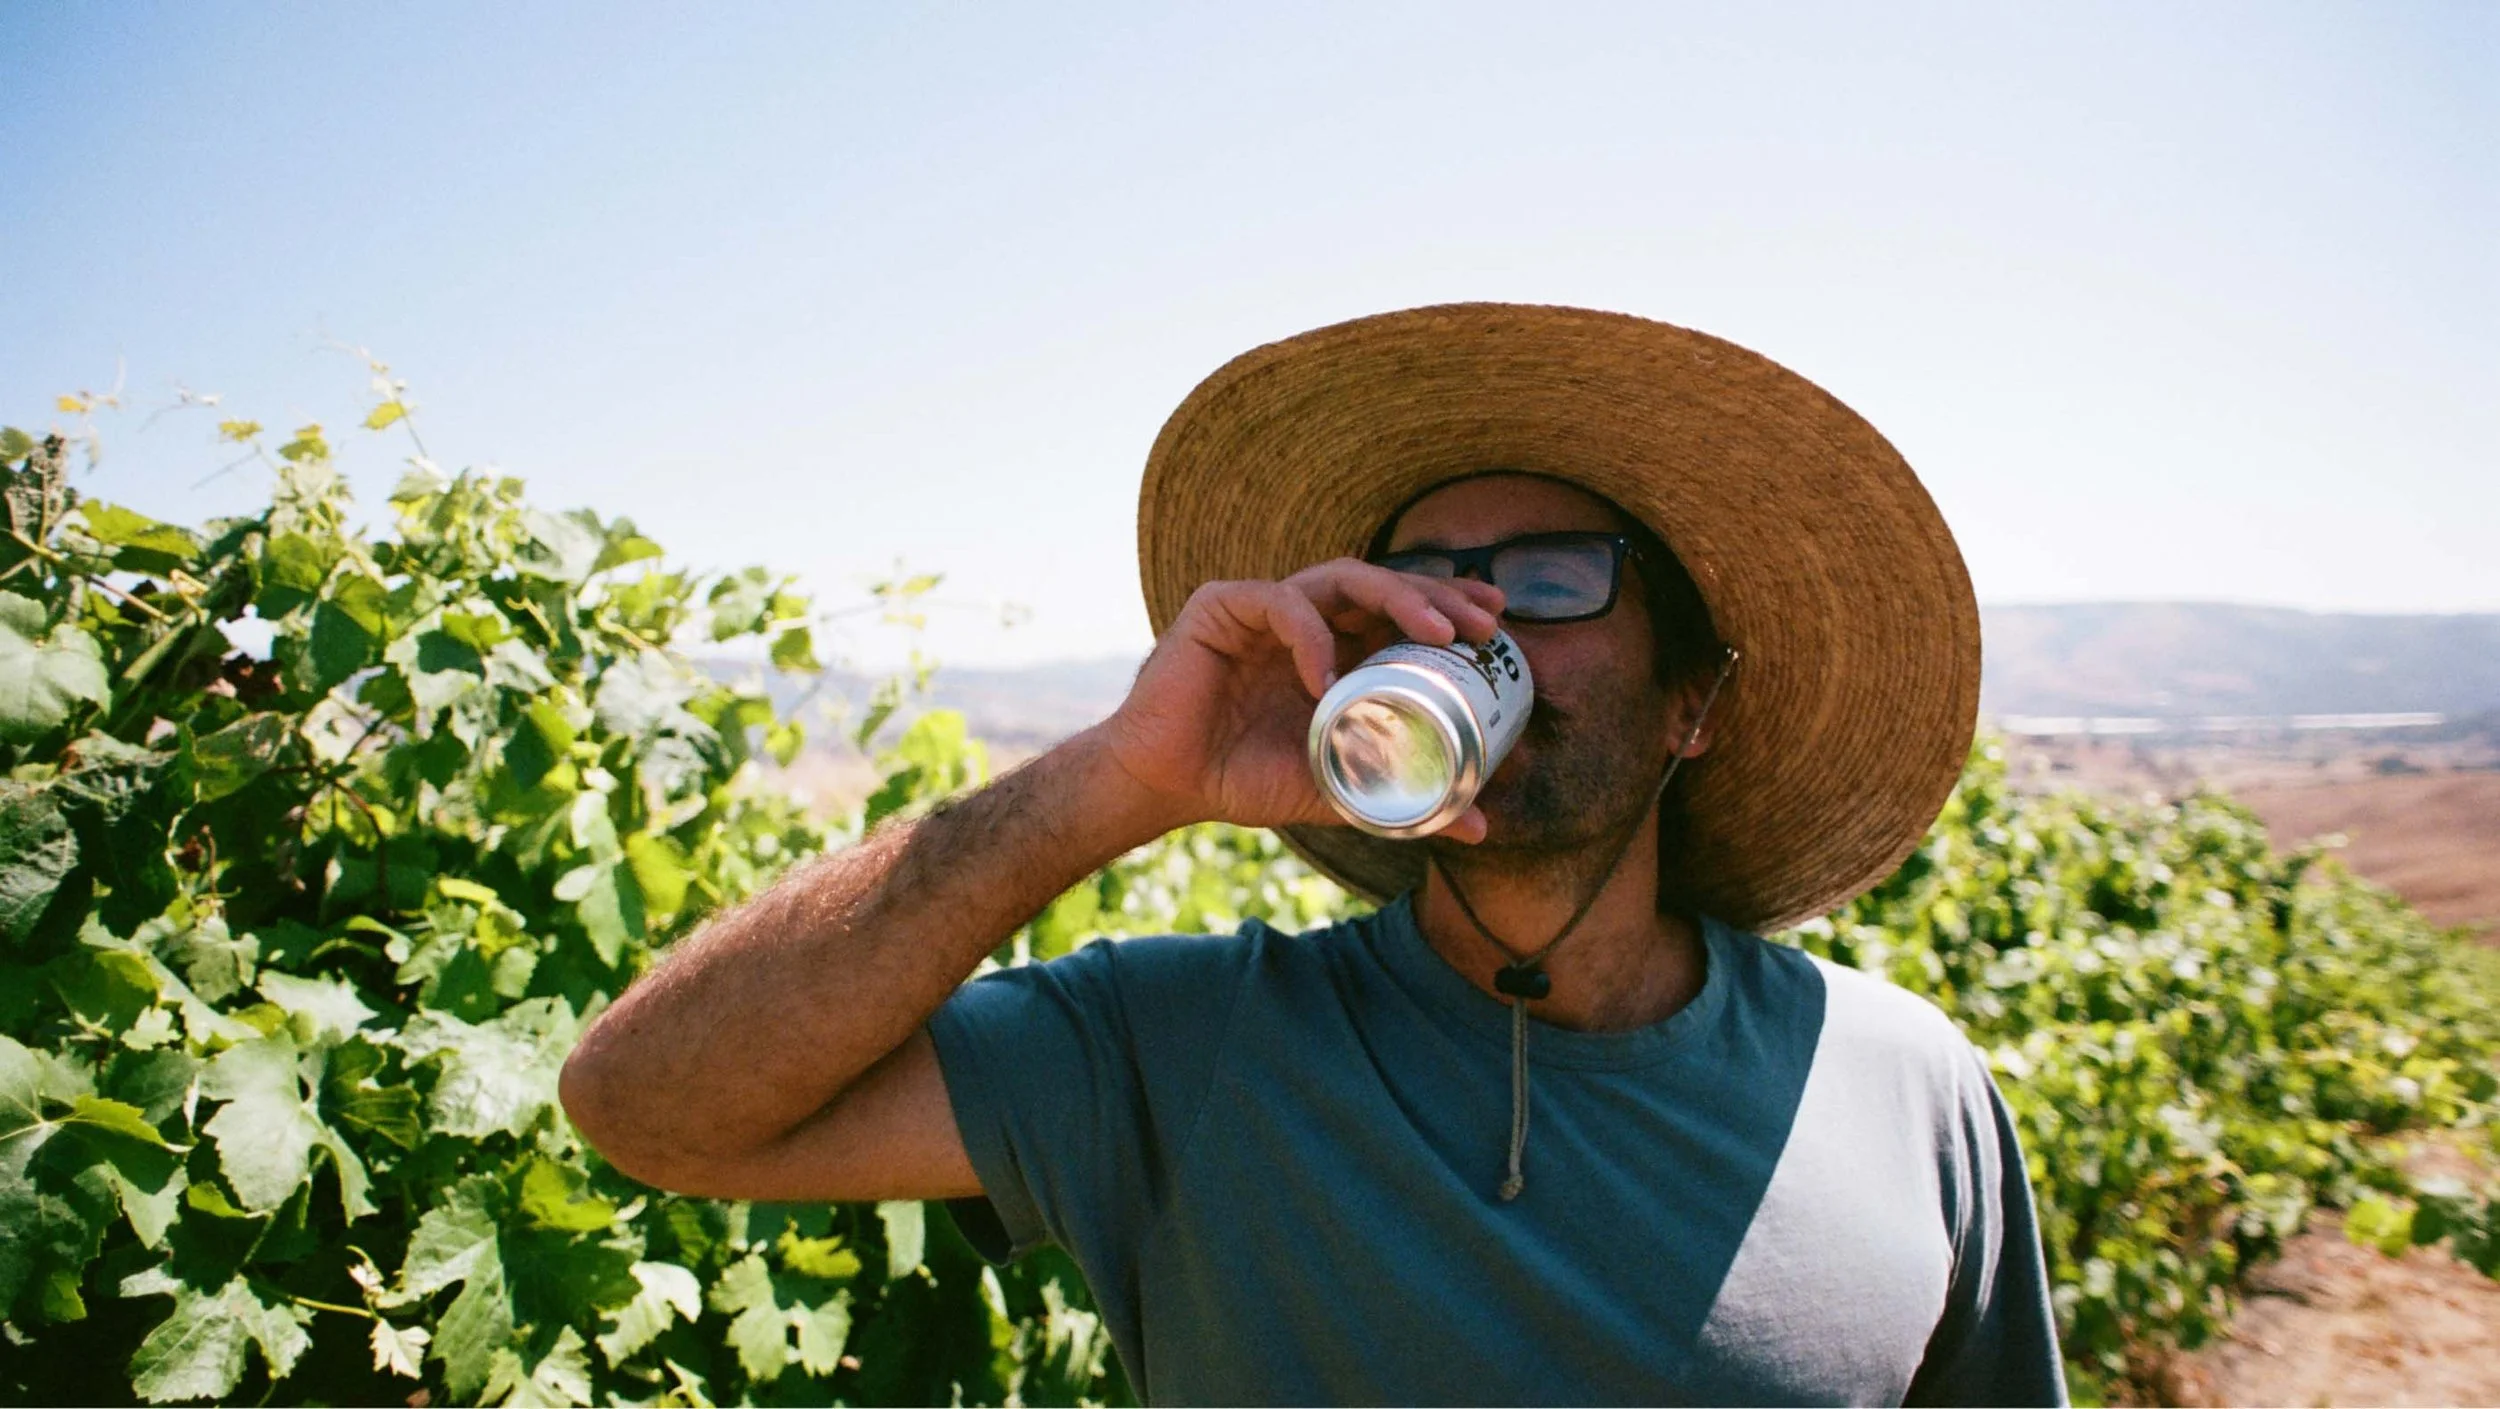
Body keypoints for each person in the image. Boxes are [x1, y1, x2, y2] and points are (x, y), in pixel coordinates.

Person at [561, 304, 2069, 1405]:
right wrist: (1120, 779)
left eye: (1553, 581)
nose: (1474, 626)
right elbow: (648, 1109)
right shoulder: (1178, 1051)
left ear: (1692, 705)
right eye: (1419, 589)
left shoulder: (1901, 1086)